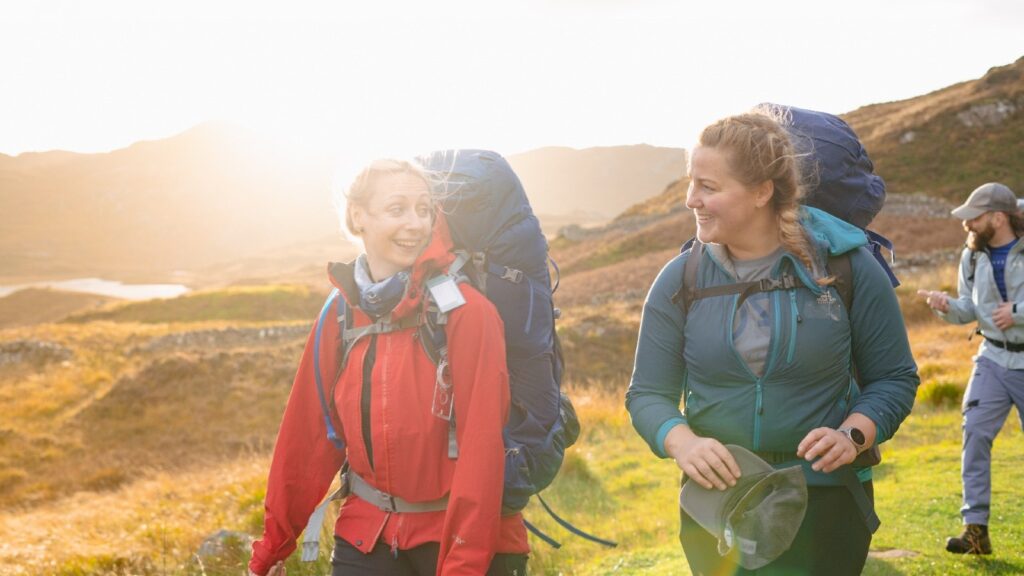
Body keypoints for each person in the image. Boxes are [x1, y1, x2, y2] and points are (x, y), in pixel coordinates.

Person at [625, 111, 919, 575]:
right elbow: (647, 394)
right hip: (717, 507)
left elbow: (895, 378)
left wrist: (853, 435)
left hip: (827, 503)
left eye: (708, 186)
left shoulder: (848, 269)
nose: (690, 200)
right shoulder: (679, 279)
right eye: (690, 183)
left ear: (763, 191)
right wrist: (682, 444)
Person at [247, 159, 529, 576]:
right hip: (366, 535)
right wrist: (272, 549)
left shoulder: (468, 313)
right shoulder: (339, 313)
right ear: (358, 216)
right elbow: (307, 438)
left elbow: (482, 452)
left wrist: (464, 566)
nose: (415, 224)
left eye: (424, 209)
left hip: (461, 542)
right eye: (397, 209)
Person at [918, 182, 1024, 555]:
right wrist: (945, 306)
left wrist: (1018, 313)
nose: (968, 225)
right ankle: (975, 530)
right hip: (993, 358)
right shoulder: (973, 255)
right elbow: (970, 310)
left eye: (975, 217)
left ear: (999, 217)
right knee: (975, 433)